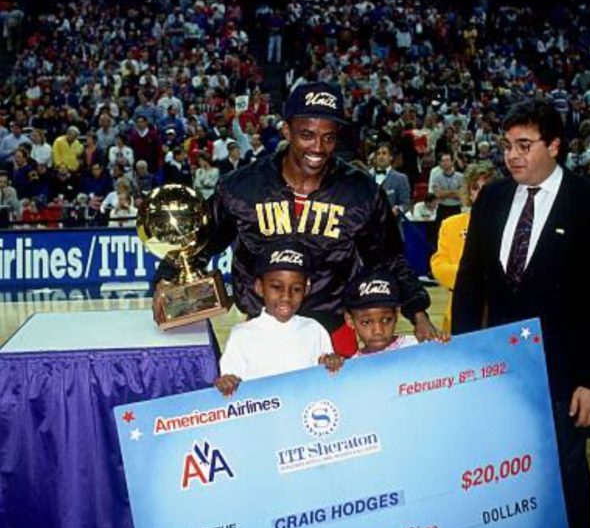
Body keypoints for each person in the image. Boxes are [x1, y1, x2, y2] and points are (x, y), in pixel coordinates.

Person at [153, 83, 439, 351]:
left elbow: (387, 260)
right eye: (307, 135)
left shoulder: (361, 192)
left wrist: (419, 314)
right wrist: (166, 280)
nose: (318, 148)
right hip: (262, 331)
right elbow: (201, 242)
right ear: (286, 131)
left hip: (332, 331)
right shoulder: (242, 187)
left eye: (328, 138)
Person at [453, 101, 590, 528]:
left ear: (555, 146)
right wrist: (466, 360)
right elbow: (470, 282)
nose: (510, 156)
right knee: (509, 476)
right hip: (499, 372)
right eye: (506, 145)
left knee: (565, 474)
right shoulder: (492, 198)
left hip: (565, 370)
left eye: (523, 146)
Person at [214, 242, 344, 528]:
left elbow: (330, 384)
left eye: (294, 288)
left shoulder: (315, 331)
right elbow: (228, 387)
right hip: (264, 465)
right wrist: (227, 385)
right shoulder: (244, 336)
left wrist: (333, 367)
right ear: (257, 288)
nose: (285, 296)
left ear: (306, 291)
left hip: (310, 461)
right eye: (276, 288)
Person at [342, 267, 451, 528]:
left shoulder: (417, 350)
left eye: (386, 319)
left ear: (397, 317)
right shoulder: (346, 368)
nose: (377, 329)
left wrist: (443, 349)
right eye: (366, 321)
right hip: (377, 483)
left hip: (422, 475)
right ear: (351, 322)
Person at [430, 161, 497, 332]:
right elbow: (439, 267)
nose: (481, 193)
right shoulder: (451, 225)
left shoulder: (511, 224)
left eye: (487, 187)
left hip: (501, 310)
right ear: (468, 191)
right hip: (462, 307)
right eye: (475, 187)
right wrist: (478, 275)